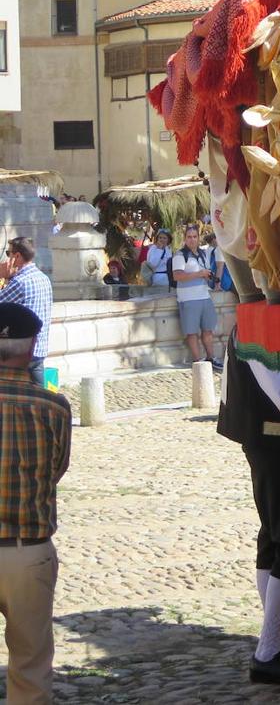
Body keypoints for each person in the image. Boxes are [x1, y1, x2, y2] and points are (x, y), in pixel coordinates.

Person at [218, 324, 280, 685]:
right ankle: (269, 649)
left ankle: (275, 641)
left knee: (274, 537)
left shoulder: (254, 319)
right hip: (278, 443)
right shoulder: (259, 324)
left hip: (271, 442)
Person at [0, 303, 71, 704]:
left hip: (27, 546)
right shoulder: (53, 406)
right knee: (30, 667)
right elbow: (55, 471)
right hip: (28, 548)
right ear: (30, 351)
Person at [0, 238, 54, 388]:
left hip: (21, 350)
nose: (7, 258)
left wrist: (2, 276)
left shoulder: (20, 282)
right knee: (39, 392)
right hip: (40, 346)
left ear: (17, 256)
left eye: (8, 253)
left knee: (14, 394)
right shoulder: (44, 278)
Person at [172, 224, 219, 366]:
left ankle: (211, 358)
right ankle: (198, 362)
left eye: (194, 236)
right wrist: (199, 274)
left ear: (199, 238)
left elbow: (205, 272)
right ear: (185, 239)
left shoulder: (203, 253)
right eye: (189, 237)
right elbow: (177, 276)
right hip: (188, 299)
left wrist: (209, 277)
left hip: (204, 296)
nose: (192, 240)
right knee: (191, 332)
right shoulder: (180, 255)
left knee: (208, 330)